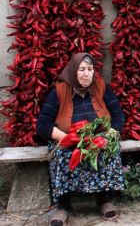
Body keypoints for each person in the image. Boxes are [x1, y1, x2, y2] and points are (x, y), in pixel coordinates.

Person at [36, 52, 125, 226]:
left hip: (97, 137)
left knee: (106, 152)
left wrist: (110, 133)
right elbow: (43, 125)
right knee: (62, 156)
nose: (87, 74)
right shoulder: (59, 91)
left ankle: (104, 199)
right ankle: (63, 205)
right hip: (68, 138)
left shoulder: (101, 87)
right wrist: (65, 137)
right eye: (82, 69)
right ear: (73, 71)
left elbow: (118, 115)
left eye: (90, 69)